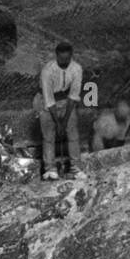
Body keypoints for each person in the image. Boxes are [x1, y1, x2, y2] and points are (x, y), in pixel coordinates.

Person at [34, 42, 84, 179]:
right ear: (56, 56)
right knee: (49, 136)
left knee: (72, 133)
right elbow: (49, 99)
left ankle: (76, 168)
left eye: (67, 60)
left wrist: (65, 121)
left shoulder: (77, 69)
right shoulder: (47, 70)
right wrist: (58, 123)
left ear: (71, 56)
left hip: (66, 101)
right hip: (45, 101)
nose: (64, 63)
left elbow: (73, 96)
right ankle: (50, 169)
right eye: (61, 60)